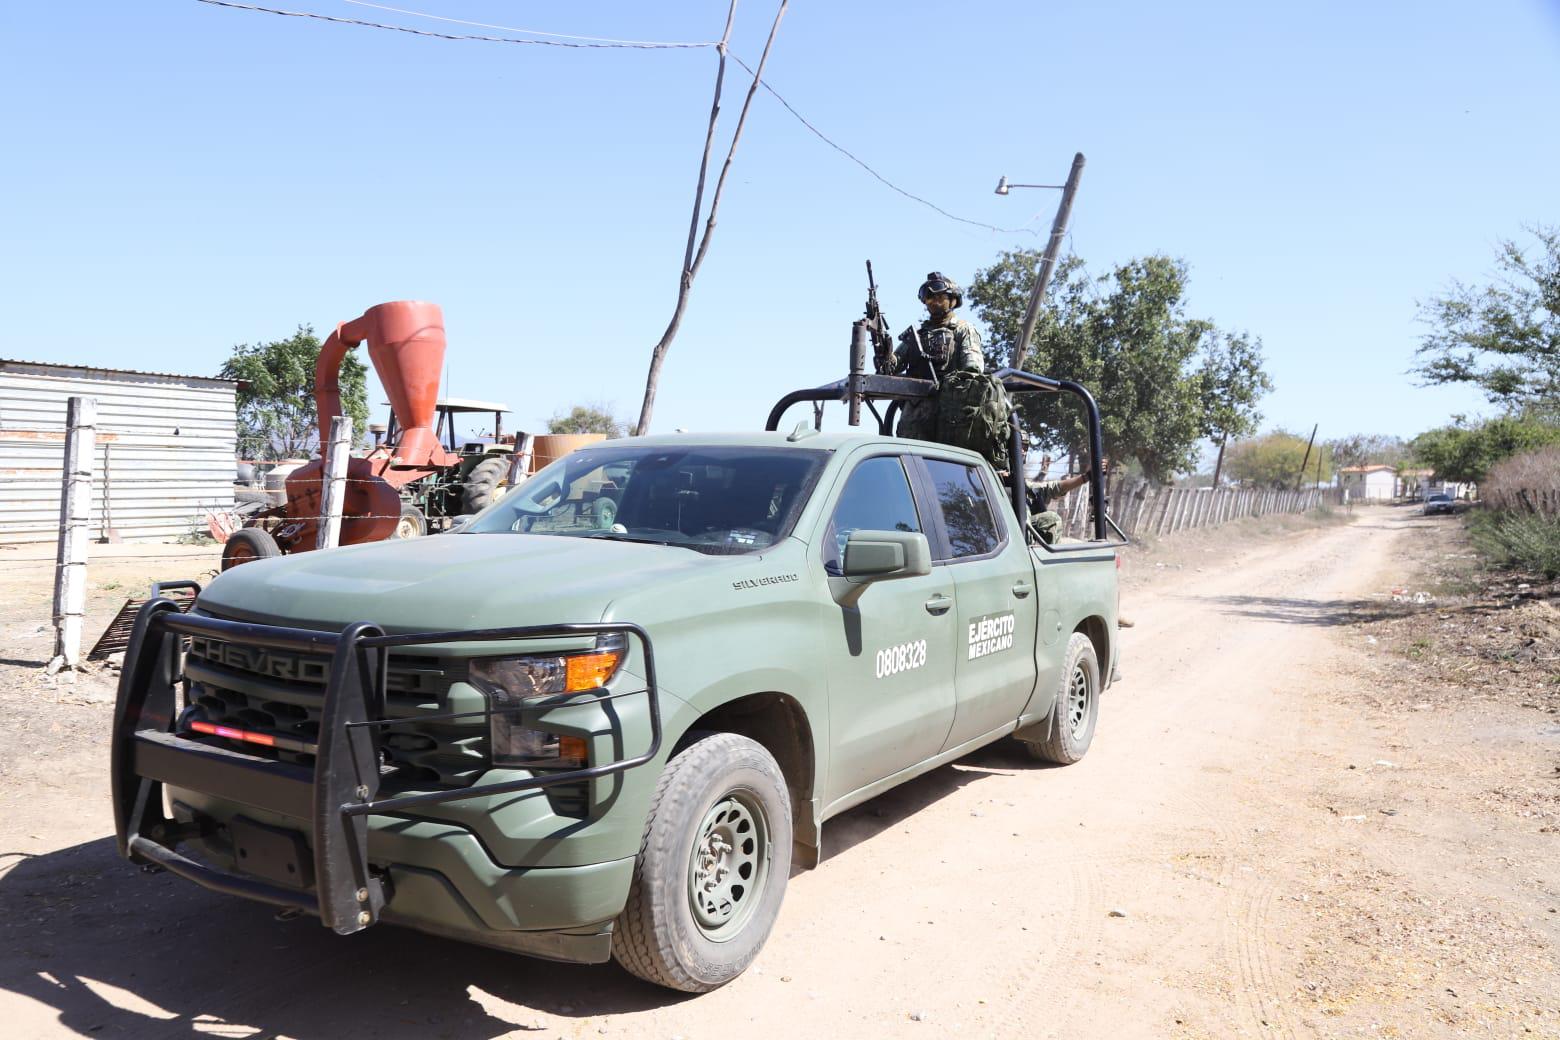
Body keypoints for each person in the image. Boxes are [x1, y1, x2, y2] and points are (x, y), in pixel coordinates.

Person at [875, 272, 984, 441]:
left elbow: (973, 371)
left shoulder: (963, 330)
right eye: (929, 298)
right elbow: (891, 367)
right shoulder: (917, 335)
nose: (934, 302)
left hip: (948, 416)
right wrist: (884, 351)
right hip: (914, 417)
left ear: (953, 300)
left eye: (940, 298)